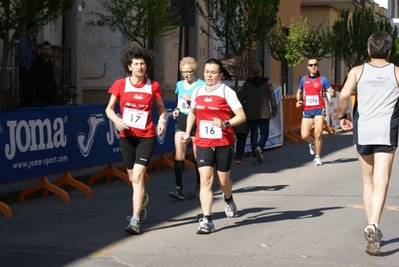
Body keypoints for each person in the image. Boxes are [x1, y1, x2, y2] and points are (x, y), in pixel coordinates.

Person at [339, 31, 399, 256]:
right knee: (382, 179)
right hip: (386, 132)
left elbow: (344, 95)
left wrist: (344, 115)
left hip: (363, 131)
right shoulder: (396, 72)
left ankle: (371, 225)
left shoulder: (357, 71)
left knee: (368, 180)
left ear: (368, 50)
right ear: (390, 51)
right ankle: (373, 224)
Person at [105, 46, 167, 235]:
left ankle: (135, 219)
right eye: (136, 64)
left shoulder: (153, 86)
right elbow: (109, 109)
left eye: (143, 64)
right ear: (129, 66)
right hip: (127, 137)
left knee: (139, 176)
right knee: (132, 178)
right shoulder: (120, 84)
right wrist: (116, 120)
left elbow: (161, 108)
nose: (140, 67)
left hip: (146, 136)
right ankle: (142, 199)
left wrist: (162, 120)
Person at [183, 58, 246, 234]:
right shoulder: (197, 91)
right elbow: (193, 113)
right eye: (207, 71)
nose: (209, 75)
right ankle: (207, 220)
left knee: (223, 181)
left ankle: (228, 197)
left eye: (213, 72)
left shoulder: (227, 92)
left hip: (224, 141)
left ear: (220, 75)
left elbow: (241, 116)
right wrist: (188, 133)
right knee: (205, 179)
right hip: (202, 141)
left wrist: (225, 123)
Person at [169, 57, 204, 200]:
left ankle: (199, 184)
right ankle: (179, 188)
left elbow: (204, 104)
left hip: (197, 121)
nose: (186, 75)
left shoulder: (201, 84)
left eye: (189, 72)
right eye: (183, 72)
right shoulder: (179, 84)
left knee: (197, 156)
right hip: (183, 120)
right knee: (179, 155)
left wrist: (192, 99)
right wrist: (176, 109)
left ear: (194, 71)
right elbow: (179, 100)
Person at [296, 58, 335, 166]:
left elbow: (331, 91)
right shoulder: (303, 79)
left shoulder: (323, 79)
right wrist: (298, 101)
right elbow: (299, 91)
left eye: (315, 65)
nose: (313, 67)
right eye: (311, 65)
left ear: (318, 66)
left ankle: (317, 157)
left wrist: (332, 93)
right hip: (307, 110)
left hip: (319, 109)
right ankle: (312, 142)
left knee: (318, 134)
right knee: (304, 135)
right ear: (308, 67)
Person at [238, 62, 277, 164]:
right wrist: (274, 109)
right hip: (264, 113)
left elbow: (240, 97)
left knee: (254, 135)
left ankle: (255, 157)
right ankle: (260, 148)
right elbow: (273, 97)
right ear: (261, 71)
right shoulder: (267, 82)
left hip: (251, 113)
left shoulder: (247, 84)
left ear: (252, 72)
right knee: (265, 132)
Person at [30, 41, 59, 107]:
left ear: (50, 50)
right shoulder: (36, 62)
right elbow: (33, 78)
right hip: (41, 95)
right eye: (44, 49)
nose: (46, 51)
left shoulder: (50, 63)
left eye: (48, 49)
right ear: (41, 50)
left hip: (51, 95)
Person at [17, 22, 39, 107]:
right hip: (26, 73)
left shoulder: (33, 42)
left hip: (32, 73)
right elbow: (22, 59)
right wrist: (29, 69)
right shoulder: (24, 42)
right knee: (26, 95)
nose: (37, 30)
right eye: (35, 28)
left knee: (30, 96)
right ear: (30, 30)